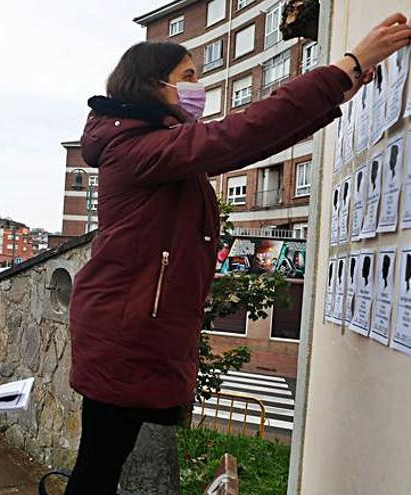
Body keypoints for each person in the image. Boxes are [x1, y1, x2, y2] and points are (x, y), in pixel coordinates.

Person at [65, 13, 411, 495]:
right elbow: (237, 135)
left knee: (102, 464)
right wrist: (346, 68)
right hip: (123, 332)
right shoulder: (136, 149)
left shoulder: (154, 147)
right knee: (98, 468)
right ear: (151, 85)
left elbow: (245, 144)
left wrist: (331, 99)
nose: (198, 88)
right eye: (188, 77)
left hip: (129, 328)